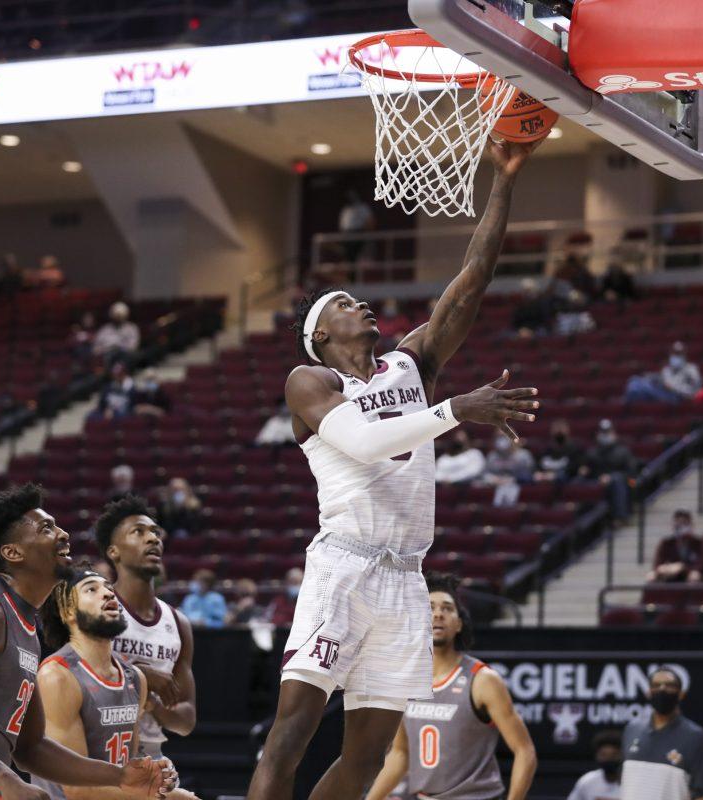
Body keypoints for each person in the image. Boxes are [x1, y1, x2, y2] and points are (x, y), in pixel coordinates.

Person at [246, 138, 540, 800]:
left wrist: (504, 181)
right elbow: (365, 443)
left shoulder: (411, 365)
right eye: (345, 303)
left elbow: (473, 279)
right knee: (291, 732)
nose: (364, 305)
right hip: (344, 568)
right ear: (322, 332)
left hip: (406, 580)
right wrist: (457, 410)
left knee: (370, 756)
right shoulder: (310, 380)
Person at [0, 484, 174, 799]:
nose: (64, 534)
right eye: (46, 528)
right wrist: (7, 779)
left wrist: (119, 775)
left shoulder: (25, 626)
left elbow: (31, 747)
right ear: (13, 552)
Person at [366, 573, 537, 800]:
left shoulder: (483, 679)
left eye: (447, 608)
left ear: (458, 624)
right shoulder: (406, 680)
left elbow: (525, 751)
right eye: (430, 608)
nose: (438, 613)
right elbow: (400, 753)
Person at [34, 569, 198, 800]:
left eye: (109, 589)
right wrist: (168, 797)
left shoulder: (134, 678)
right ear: (68, 611)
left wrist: (155, 780)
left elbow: (128, 769)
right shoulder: (57, 677)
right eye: (92, 589)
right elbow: (75, 789)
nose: (108, 594)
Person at [98, 496, 198, 759]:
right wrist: (139, 677)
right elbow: (71, 680)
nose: (153, 539)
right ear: (113, 552)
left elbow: (186, 721)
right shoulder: (96, 606)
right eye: (138, 532)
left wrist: (152, 702)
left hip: (151, 757)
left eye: (155, 532)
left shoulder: (177, 623)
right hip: (96, 751)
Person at [622, 668, 703, 800]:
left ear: (681, 694)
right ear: (648, 692)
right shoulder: (632, 729)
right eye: (656, 685)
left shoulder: (695, 736)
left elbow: (702, 794)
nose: (662, 689)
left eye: (669, 685)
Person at [585, 420, 638, 521]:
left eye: (607, 432)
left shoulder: (623, 451)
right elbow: (589, 471)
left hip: (622, 483)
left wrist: (611, 477)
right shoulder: (592, 453)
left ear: (614, 433)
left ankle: (621, 516)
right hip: (597, 481)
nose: (605, 435)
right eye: (603, 432)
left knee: (618, 480)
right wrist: (599, 477)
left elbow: (631, 472)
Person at [648, 510, 703, 584]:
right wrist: (661, 569)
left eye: (684, 524)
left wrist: (683, 568)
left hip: (690, 573)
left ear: (691, 525)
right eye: (677, 525)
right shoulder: (666, 543)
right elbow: (658, 562)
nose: (680, 528)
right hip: (670, 574)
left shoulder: (699, 543)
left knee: (694, 576)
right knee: (651, 577)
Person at [567, 729, 623, 800]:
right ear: (597, 756)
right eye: (603, 755)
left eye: (614, 755)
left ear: (622, 756)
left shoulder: (632, 783)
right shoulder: (587, 781)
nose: (608, 759)